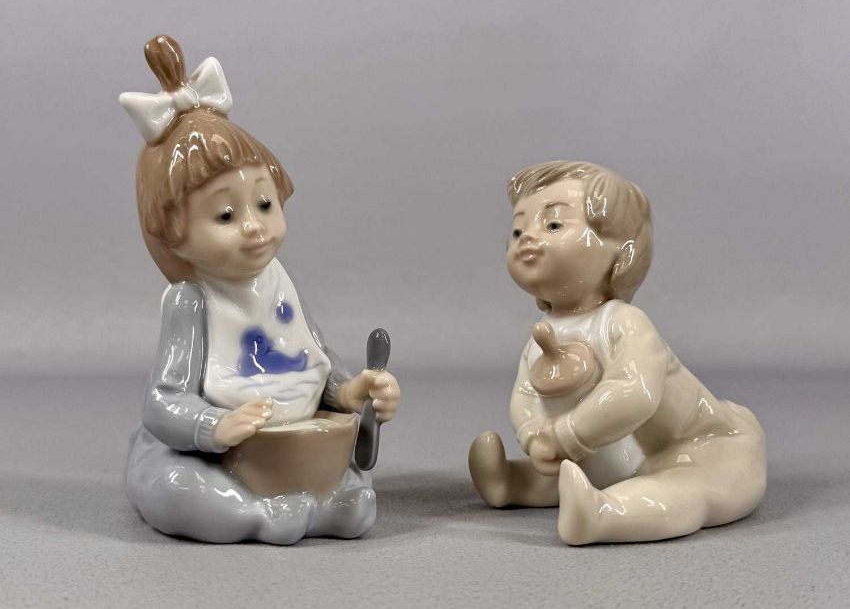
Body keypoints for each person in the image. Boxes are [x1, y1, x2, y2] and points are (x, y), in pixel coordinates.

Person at [120, 35, 400, 543]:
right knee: (176, 484)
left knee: (349, 480)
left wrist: (350, 391)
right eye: (226, 215)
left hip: (286, 445)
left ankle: (313, 502)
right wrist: (212, 427)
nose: (254, 226)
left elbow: (311, 356)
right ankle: (259, 514)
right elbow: (162, 401)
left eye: (265, 204)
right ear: (174, 233)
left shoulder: (277, 281)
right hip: (217, 455)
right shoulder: (192, 300)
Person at [469, 161, 765, 545]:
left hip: (700, 445)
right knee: (575, 468)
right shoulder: (545, 333)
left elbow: (634, 393)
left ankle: (605, 515)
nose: (528, 237)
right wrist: (533, 434)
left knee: (687, 488)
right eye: (517, 230)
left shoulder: (623, 323)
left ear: (620, 251)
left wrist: (564, 434)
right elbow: (525, 394)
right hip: (625, 451)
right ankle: (513, 482)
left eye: (553, 224)